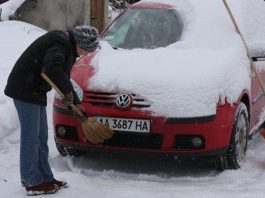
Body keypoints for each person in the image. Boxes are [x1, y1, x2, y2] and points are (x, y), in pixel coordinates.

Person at [4, 25, 100, 196]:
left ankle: (45, 177)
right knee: (31, 138)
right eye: (86, 49)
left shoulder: (67, 47)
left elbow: (63, 77)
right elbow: (52, 68)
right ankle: (31, 181)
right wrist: (67, 93)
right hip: (24, 88)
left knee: (41, 137)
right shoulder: (60, 43)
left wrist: (76, 103)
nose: (86, 54)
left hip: (35, 89)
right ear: (79, 42)